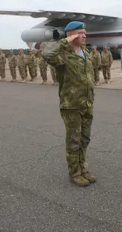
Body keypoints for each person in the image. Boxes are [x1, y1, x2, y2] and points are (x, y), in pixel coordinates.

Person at [42, 21, 95, 187]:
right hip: (71, 104)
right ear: (72, 35)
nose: (85, 35)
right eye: (81, 33)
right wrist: (65, 41)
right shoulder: (62, 54)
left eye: (85, 33)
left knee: (84, 139)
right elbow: (47, 54)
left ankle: (83, 168)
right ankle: (75, 173)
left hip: (87, 103)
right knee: (74, 140)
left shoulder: (85, 52)